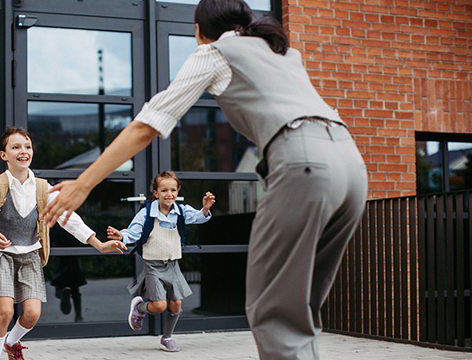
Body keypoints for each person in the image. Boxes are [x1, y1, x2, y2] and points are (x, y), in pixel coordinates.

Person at [42, 1, 368, 359]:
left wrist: (83, 184)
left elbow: (149, 123)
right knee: (301, 308)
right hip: (350, 165)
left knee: (273, 311)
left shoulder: (213, 53)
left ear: (199, 30)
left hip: (304, 164)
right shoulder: (283, 52)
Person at [0, 126, 127, 360]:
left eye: (27, 146)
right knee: (5, 312)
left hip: (30, 256)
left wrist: (99, 244)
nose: (23, 151)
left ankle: (11, 343)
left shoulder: (43, 188)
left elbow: (69, 218)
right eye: (15, 147)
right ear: (4, 155)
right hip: (1, 255)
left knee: (32, 314)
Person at [106, 170, 215, 352]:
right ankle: (140, 307)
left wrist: (205, 208)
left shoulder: (180, 211)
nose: (169, 194)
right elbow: (133, 232)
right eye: (164, 190)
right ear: (155, 192)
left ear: (178, 191)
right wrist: (121, 235)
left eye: (173, 190)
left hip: (173, 265)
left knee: (176, 303)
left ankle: (167, 338)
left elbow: (198, 217)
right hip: (153, 266)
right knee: (159, 306)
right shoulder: (147, 213)